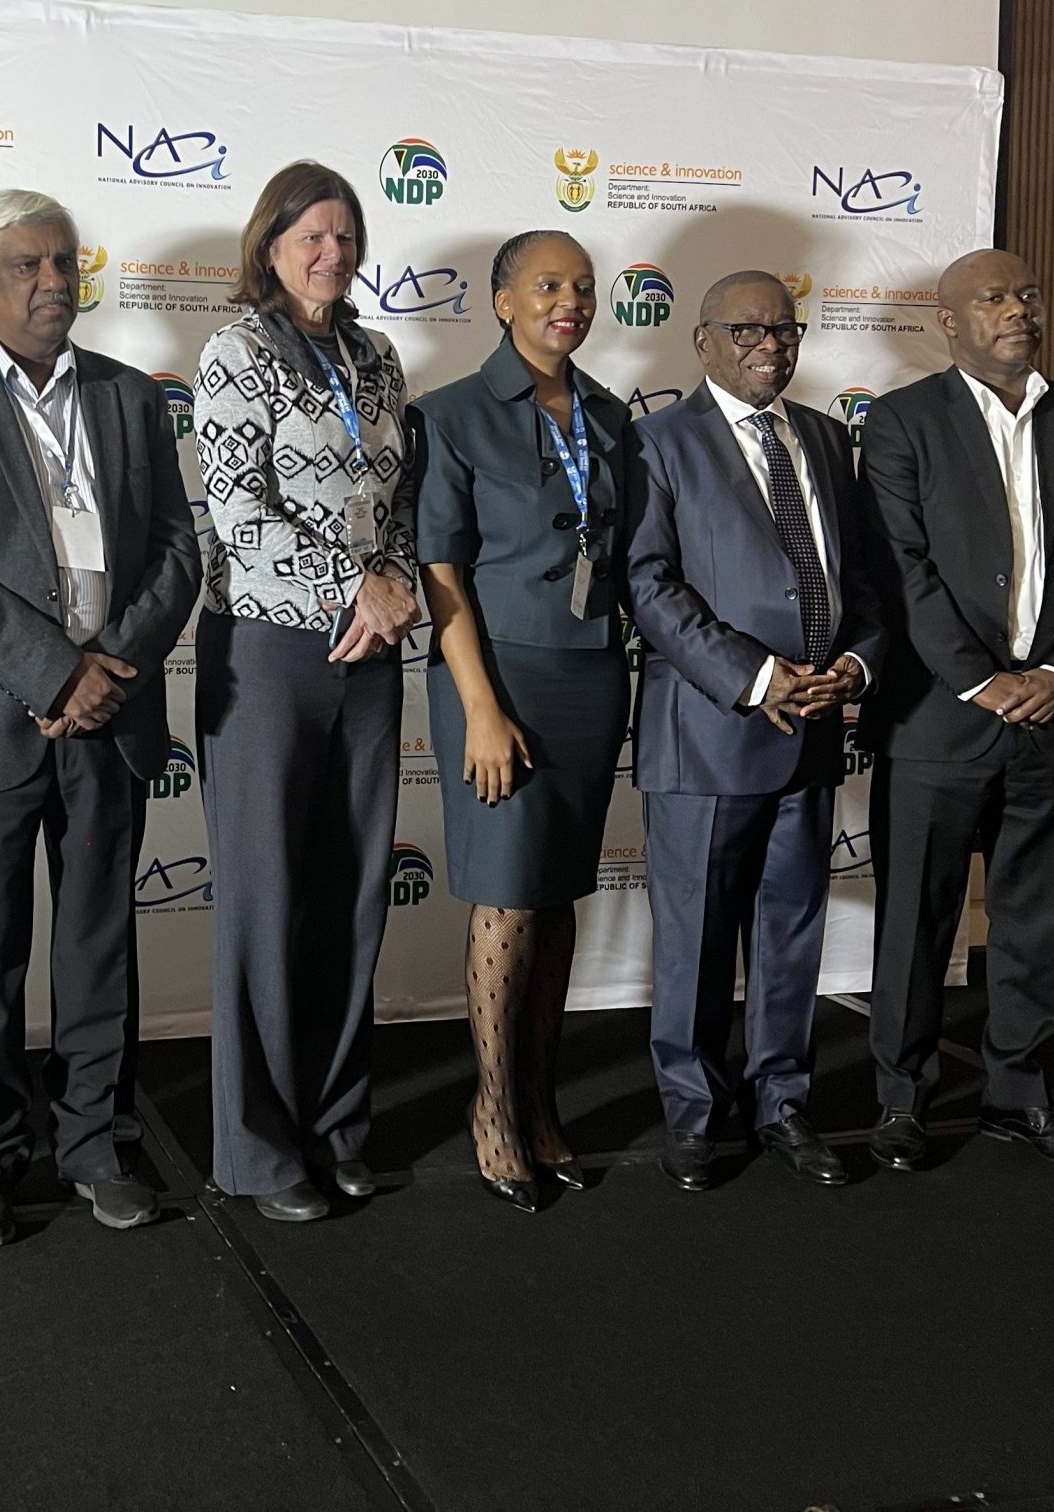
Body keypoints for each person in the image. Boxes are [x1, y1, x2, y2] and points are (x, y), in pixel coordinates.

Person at [0, 189, 200, 1246]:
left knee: (99, 942)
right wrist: (55, 672)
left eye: (64, 263)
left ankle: (97, 1142)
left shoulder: (130, 398)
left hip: (112, 710)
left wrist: (110, 665)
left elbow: (177, 552)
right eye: (26, 265)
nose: (52, 282)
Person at [855, 250, 1054, 1174]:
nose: (1018, 308)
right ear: (948, 321)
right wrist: (983, 680)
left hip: (1052, 718)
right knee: (916, 924)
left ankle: (1021, 1094)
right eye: (994, 297)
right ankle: (901, 1100)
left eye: (1027, 293)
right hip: (938, 721)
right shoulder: (900, 423)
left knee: (1034, 921)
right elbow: (901, 568)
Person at [192, 161, 421, 1223]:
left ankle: (336, 1125)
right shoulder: (238, 351)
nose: (332, 253)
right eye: (311, 236)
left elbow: (401, 505)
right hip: (272, 655)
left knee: (351, 896)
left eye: (346, 236)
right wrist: (353, 584)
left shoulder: (376, 358)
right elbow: (238, 518)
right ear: (271, 243)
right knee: (267, 901)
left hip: (369, 659)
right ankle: (256, 1147)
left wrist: (397, 588)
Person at [624, 270, 883, 1193]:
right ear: (702, 342)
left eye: (782, 328)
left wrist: (854, 666)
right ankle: (693, 1115)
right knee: (695, 936)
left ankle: (784, 1102)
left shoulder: (821, 435)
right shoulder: (658, 442)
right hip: (706, 733)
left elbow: (861, 580)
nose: (768, 344)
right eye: (744, 330)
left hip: (813, 729)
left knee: (791, 931)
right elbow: (650, 584)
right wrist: (757, 677)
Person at [410, 230, 633, 1212]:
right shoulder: (449, 416)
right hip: (495, 677)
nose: (568, 302)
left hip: (591, 678)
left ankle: (541, 1107)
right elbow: (440, 574)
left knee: (554, 900)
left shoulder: (613, 417)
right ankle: (492, 1113)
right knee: (503, 897)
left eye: (582, 288)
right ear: (501, 301)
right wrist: (481, 712)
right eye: (547, 285)